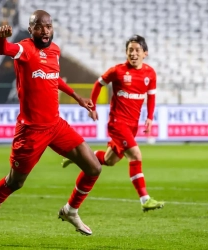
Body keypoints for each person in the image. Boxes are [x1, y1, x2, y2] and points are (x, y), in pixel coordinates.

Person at [0, 10, 101, 245]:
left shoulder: (55, 51)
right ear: (31, 30)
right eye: (39, 27)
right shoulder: (24, 48)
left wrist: (79, 98)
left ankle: (70, 210)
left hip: (56, 125)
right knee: (15, 182)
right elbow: (2, 50)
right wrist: (2, 37)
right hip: (31, 132)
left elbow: (55, 77)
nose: (45, 31)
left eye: (48, 26)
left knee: (94, 167)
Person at [62, 35, 164, 212]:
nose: (133, 53)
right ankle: (145, 199)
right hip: (118, 124)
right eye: (130, 50)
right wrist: (92, 106)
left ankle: (78, 156)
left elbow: (151, 96)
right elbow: (98, 84)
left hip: (133, 125)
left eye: (137, 50)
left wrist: (149, 117)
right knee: (135, 156)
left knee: (110, 160)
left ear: (145, 53)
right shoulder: (117, 71)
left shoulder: (150, 74)